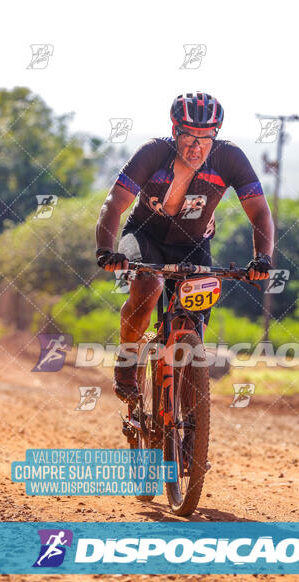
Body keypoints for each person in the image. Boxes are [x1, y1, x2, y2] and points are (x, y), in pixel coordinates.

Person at [95, 92, 274, 403]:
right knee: (148, 288)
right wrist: (105, 250)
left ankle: (187, 401)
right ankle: (127, 361)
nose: (196, 146)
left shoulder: (229, 158)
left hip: (193, 244)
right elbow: (114, 203)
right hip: (144, 236)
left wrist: (262, 258)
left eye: (205, 138)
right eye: (188, 136)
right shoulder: (153, 152)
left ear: (216, 135)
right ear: (174, 131)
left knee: (196, 313)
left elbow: (259, 211)